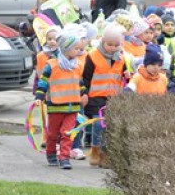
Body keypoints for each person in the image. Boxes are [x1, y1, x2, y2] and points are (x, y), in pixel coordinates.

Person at [35, 25, 88, 169]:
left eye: (79, 48)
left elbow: (80, 82)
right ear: (65, 48)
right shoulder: (52, 65)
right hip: (56, 106)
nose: (79, 51)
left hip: (73, 107)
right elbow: (43, 82)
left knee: (67, 133)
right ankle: (51, 153)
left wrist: (84, 93)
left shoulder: (77, 66)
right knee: (52, 134)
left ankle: (64, 158)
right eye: (75, 48)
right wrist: (39, 96)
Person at [80, 22, 127, 167]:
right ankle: (95, 151)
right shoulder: (93, 56)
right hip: (95, 97)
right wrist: (84, 93)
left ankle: (106, 154)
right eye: (109, 44)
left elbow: (124, 75)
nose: (113, 47)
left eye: (116, 44)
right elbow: (85, 77)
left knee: (109, 126)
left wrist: (127, 75)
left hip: (113, 98)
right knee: (98, 125)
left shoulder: (121, 58)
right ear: (103, 41)